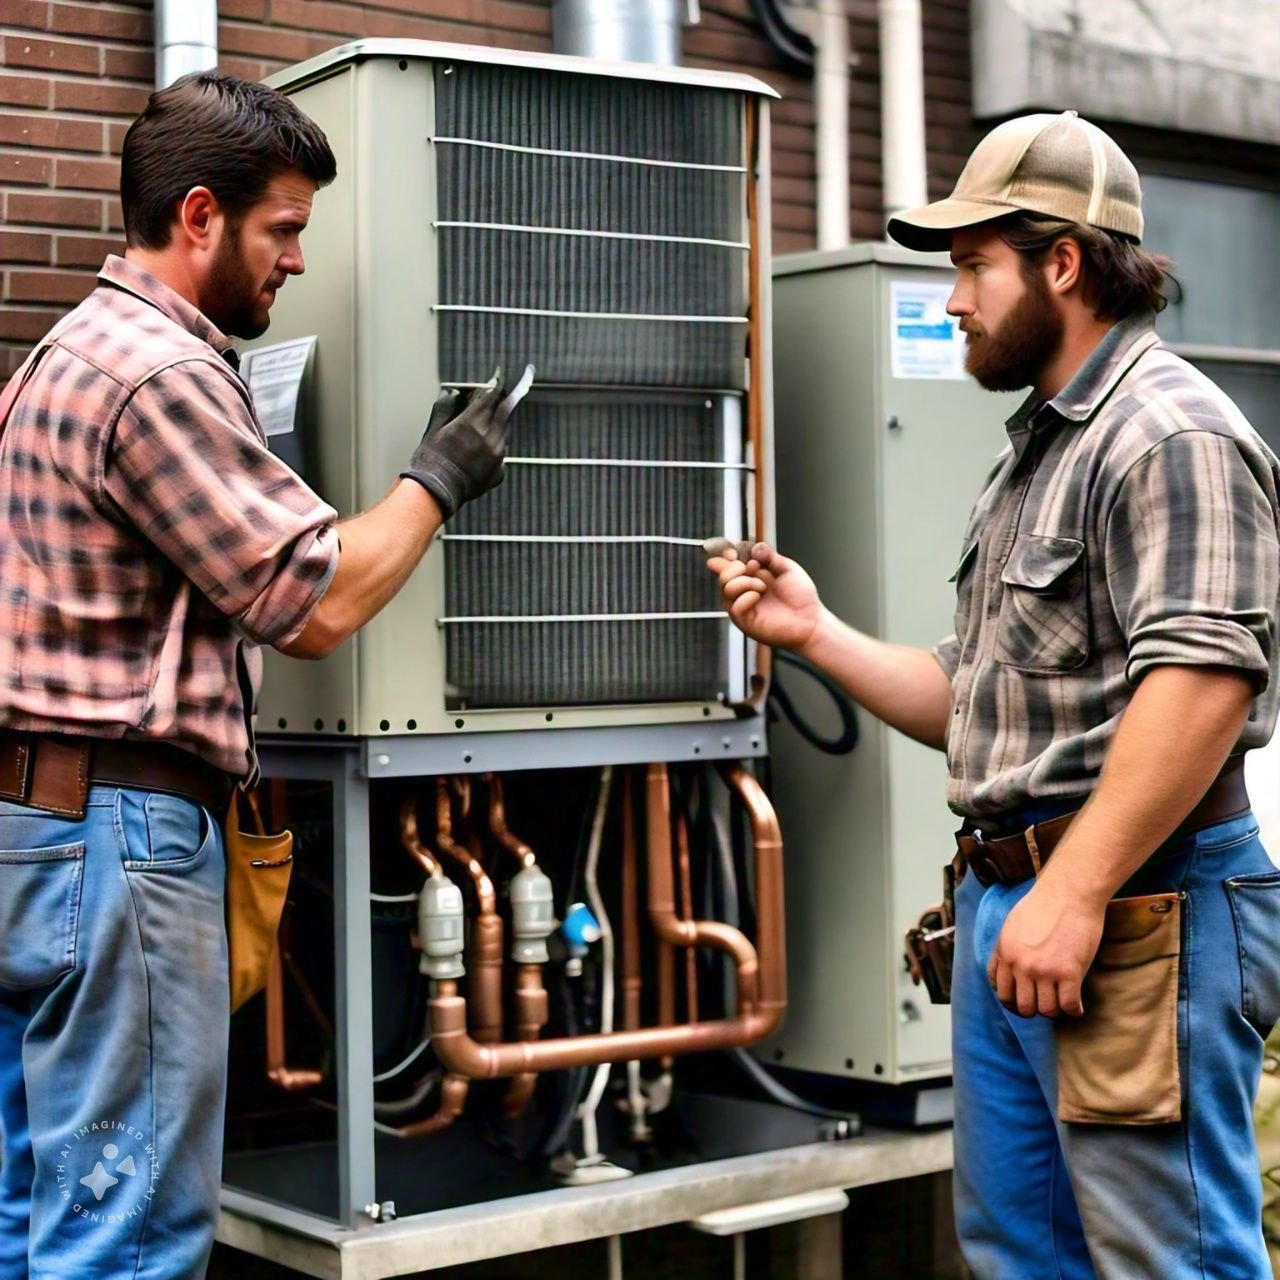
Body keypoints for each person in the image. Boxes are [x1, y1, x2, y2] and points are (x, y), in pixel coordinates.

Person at [708, 110, 1280, 1278]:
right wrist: (810, 631)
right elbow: (976, 705)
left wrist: (1070, 893)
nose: (953, 298)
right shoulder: (1039, 449)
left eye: (972, 265)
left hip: (1135, 907)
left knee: (1164, 1257)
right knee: (1020, 1253)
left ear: (1060, 262)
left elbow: (1204, 679)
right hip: (1017, 905)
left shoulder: (1167, 431)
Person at [0, 72, 529, 1279]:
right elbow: (315, 600)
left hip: (31, 830)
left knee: (34, 1207)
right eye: (282, 229)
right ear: (199, 216)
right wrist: (437, 478)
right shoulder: (162, 372)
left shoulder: (54, 357)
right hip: (117, 840)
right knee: (126, 1233)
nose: (294, 260)